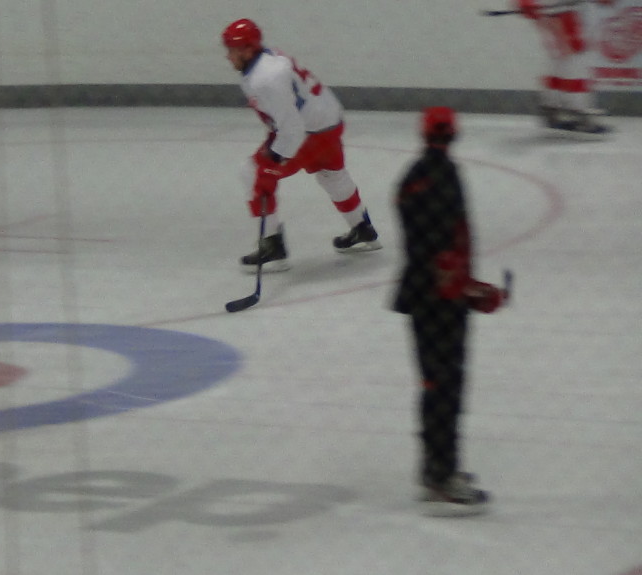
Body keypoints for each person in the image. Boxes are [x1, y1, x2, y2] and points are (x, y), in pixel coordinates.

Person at [392, 107, 510, 516]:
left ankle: (433, 468)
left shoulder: (411, 179)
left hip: (419, 295)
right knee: (447, 384)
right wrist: (475, 292)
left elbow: (427, 248)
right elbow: (448, 255)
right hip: (443, 301)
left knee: (431, 382)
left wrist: (468, 288)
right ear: (453, 135)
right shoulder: (449, 178)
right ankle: (443, 473)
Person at [221, 18, 381, 273]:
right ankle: (362, 229)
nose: (227, 56)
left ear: (248, 49)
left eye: (231, 49)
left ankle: (273, 247)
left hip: (307, 133)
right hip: (329, 121)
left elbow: (291, 129)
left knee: (252, 173)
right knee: (332, 175)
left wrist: (272, 163)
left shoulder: (265, 78)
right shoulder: (267, 59)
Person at [514, 0, 614, 135]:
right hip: (560, 10)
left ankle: (552, 107)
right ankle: (578, 110)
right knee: (575, 56)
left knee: (560, 57)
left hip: (551, 9)